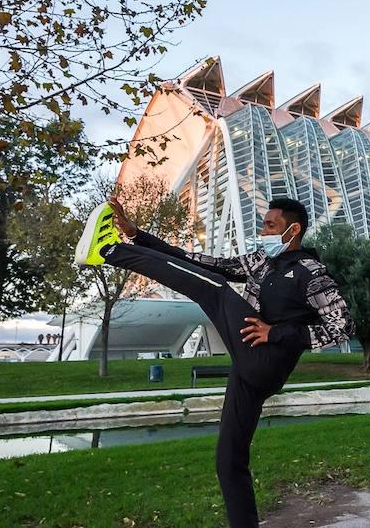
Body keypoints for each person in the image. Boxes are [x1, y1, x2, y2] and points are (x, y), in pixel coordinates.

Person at [74, 196, 354, 528]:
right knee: (228, 459)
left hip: (267, 361)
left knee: (216, 291)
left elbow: (343, 326)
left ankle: (108, 252)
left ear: (293, 230)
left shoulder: (311, 273)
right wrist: (139, 235)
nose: (262, 230)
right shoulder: (261, 261)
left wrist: (277, 332)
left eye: (270, 225)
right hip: (247, 364)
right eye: (263, 223)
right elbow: (198, 262)